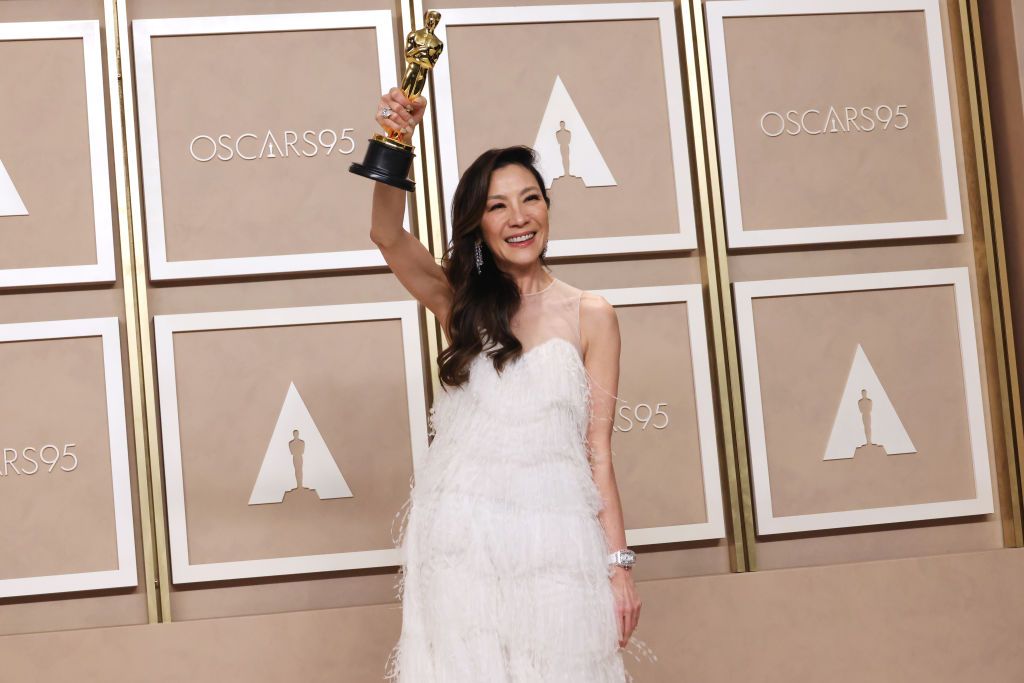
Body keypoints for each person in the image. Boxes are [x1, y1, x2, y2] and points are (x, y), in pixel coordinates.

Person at [369, 87, 641, 681]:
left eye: (530, 199)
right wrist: (396, 140)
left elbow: (598, 452)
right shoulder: (459, 304)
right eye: (497, 206)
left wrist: (618, 567)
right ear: (478, 224)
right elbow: (388, 236)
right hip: (462, 537)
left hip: (556, 539)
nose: (519, 217)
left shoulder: (591, 313)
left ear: (547, 207)